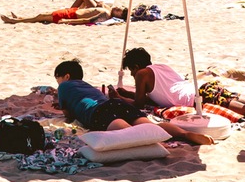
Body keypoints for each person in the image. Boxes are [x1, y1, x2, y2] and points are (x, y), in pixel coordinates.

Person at [53, 60, 213, 145]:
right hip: (115, 103)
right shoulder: (87, 86)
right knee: (149, 126)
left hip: (97, 112)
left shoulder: (64, 87)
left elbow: (68, 114)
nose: (58, 82)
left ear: (66, 77)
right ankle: (184, 134)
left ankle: (154, 142)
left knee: (131, 134)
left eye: (57, 79)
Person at [113, 48, 245, 119]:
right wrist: (127, 93)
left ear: (136, 66)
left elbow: (139, 103)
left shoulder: (142, 74)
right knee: (235, 101)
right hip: (203, 88)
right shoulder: (162, 67)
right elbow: (154, 96)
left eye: (131, 70)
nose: (132, 74)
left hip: (196, 97)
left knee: (242, 111)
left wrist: (119, 98)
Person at [1, 4, 127, 24]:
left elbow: (87, 20)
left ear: (119, 15)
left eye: (120, 9)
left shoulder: (105, 14)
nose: (118, 7)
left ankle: (15, 21)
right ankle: (20, 18)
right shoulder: (107, 9)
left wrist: (67, 21)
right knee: (42, 15)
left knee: (40, 16)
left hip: (70, 16)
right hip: (72, 12)